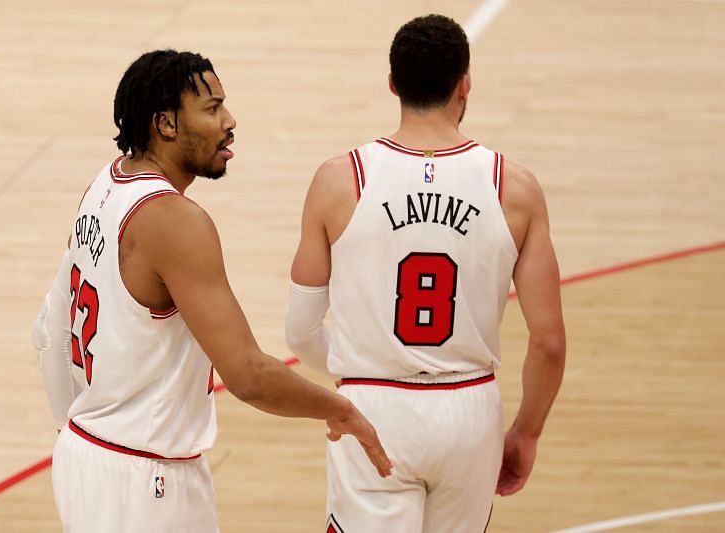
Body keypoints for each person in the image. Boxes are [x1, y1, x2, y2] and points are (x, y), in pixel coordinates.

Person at [31, 49, 391, 533]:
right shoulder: (175, 222)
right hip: (143, 477)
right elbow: (248, 375)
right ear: (166, 124)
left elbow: (49, 326)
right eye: (212, 107)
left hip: (90, 457)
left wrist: (70, 435)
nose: (229, 120)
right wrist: (342, 409)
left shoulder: (105, 184)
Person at [285, 14, 566, 533]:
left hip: (373, 405)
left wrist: (357, 374)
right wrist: (526, 433)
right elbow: (548, 343)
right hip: (470, 408)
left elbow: (300, 331)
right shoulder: (516, 188)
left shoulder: (339, 179)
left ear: (393, 83)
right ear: (465, 84)